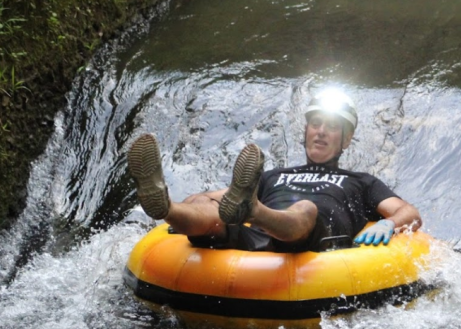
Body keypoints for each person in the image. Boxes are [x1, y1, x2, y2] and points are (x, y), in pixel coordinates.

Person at [127, 89, 422, 252]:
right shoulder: (274, 175)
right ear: (305, 131)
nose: (321, 132)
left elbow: (407, 212)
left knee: (305, 208)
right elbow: (213, 198)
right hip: (256, 239)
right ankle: (163, 205)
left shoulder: (361, 182)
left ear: (346, 138)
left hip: (314, 241)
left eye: (331, 127)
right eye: (315, 124)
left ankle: (252, 209)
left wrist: (388, 224)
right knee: (206, 206)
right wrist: (198, 202)